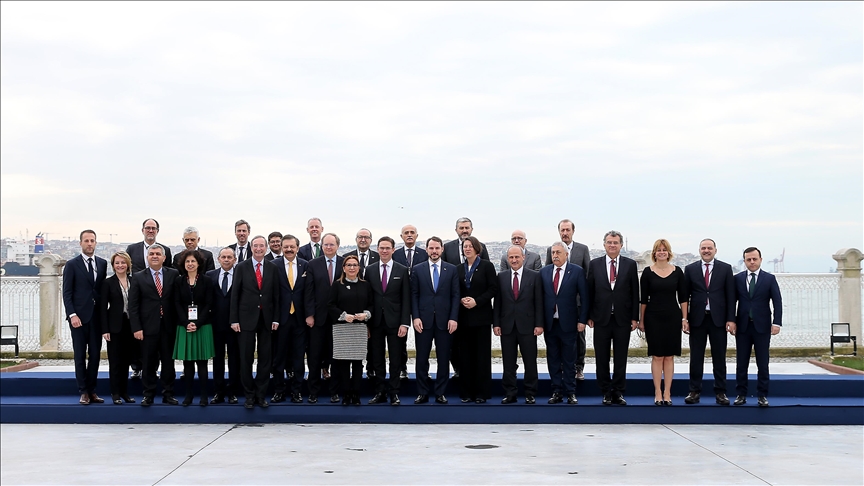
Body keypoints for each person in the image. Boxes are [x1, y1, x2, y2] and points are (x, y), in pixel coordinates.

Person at [586, 230, 639, 406]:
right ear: (604, 244)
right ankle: (605, 391)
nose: (612, 245)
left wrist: (635, 317)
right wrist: (589, 315)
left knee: (621, 357)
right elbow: (589, 292)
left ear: (621, 245)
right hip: (601, 318)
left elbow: (635, 292)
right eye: (609, 242)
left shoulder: (630, 265)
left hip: (623, 319)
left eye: (615, 242)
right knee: (601, 358)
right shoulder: (594, 264)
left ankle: (618, 391)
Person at [683, 238, 736, 406]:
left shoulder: (725, 268)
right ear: (699, 250)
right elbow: (685, 296)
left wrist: (731, 319)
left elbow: (731, 296)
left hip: (718, 319)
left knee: (719, 357)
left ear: (715, 250)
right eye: (703, 248)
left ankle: (721, 392)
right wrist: (685, 319)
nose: (706, 251)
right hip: (697, 319)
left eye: (709, 248)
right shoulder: (690, 269)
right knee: (696, 357)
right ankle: (694, 391)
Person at [230, 235, 281, 409]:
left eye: (261, 246)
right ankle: (249, 395)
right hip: (245, 319)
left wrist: (276, 318)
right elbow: (235, 295)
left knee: (265, 359)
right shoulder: (241, 267)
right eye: (255, 246)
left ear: (266, 248)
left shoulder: (273, 268)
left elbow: (276, 295)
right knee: (246, 358)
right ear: (251, 248)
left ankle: (261, 395)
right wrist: (234, 319)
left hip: (266, 319)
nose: (258, 249)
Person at [410, 236, 460, 404]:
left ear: (442, 249)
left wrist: (453, 318)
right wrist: (415, 317)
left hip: (445, 321)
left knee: (443, 358)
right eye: (431, 248)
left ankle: (440, 393)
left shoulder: (451, 269)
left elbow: (455, 295)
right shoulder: (418, 269)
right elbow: (414, 295)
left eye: (437, 248)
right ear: (426, 250)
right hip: (423, 321)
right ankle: (422, 393)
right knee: (421, 358)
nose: (434, 251)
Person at [129, 244, 180, 406]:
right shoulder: (138, 277)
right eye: (151, 254)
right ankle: (148, 395)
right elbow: (133, 305)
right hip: (147, 328)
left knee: (168, 363)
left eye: (158, 253)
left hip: (169, 327)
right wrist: (136, 328)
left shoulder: (173, 274)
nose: (155, 256)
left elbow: (177, 301)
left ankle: (168, 394)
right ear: (147, 257)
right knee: (148, 363)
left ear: (164, 258)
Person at [638, 239, 688, 406]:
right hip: (653, 317)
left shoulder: (677, 271)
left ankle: (667, 392)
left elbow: (683, 298)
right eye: (658, 250)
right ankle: (658, 392)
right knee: (657, 356)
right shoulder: (647, 272)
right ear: (654, 253)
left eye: (664, 250)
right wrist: (641, 320)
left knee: (669, 356)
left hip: (673, 317)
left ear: (668, 252)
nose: (661, 252)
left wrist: (685, 318)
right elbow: (643, 300)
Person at [733, 247, 783, 407]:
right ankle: (741, 394)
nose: (752, 262)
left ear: (760, 260)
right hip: (743, 327)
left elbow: (777, 301)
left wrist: (777, 322)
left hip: (762, 327)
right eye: (748, 259)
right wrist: (731, 321)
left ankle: (762, 395)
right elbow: (731, 301)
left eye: (754, 259)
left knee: (763, 362)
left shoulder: (769, 279)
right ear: (744, 261)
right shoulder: (737, 279)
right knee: (741, 363)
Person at [63, 229, 108, 405]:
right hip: (78, 318)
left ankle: (92, 390)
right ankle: (83, 391)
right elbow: (67, 293)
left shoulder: (102, 264)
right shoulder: (72, 265)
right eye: (86, 241)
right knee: (80, 355)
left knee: (95, 356)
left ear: (96, 243)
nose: (89, 244)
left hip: (96, 317)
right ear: (80, 243)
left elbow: (101, 290)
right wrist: (72, 314)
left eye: (92, 241)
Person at [540, 241, 588, 405]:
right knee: (553, 359)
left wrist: (582, 320)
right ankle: (556, 391)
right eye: (553, 252)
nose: (555, 255)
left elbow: (585, 297)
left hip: (569, 323)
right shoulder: (544, 272)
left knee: (569, 360)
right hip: (550, 323)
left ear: (566, 254)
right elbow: (539, 299)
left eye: (558, 252)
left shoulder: (577, 271)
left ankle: (571, 392)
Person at [494, 246, 544, 404]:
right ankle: (510, 393)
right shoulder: (501, 277)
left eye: (517, 257)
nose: (514, 260)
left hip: (528, 326)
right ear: (507, 259)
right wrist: (496, 324)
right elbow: (498, 302)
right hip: (507, 326)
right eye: (511, 257)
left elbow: (539, 302)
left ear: (523, 257)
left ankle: (530, 393)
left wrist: (539, 324)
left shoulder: (534, 276)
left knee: (530, 361)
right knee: (508, 362)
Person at [365, 236, 411, 405]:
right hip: (375, 322)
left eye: (387, 248)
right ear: (377, 249)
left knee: (395, 359)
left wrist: (405, 323)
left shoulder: (402, 270)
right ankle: (380, 392)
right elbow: (367, 298)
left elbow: (406, 299)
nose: (384, 251)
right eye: (381, 248)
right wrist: (367, 324)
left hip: (396, 322)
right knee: (377, 359)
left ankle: (394, 393)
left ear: (393, 250)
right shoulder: (369, 270)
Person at [545, 219, 591, 380]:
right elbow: (548, 274)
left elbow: (587, 275)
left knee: (579, 337)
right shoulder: (552, 249)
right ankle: (562, 368)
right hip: (558, 305)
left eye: (567, 230)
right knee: (558, 339)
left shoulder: (582, 249)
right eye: (562, 230)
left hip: (577, 303)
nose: (565, 233)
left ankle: (579, 367)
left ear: (573, 231)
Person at [456, 236, 498, 403]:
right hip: (464, 317)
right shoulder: (459, 268)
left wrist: (477, 301)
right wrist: (461, 299)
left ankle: (481, 393)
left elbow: (493, 289)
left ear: (476, 248)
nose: (467, 249)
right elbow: (455, 289)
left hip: (481, 317)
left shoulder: (487, 266)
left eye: (470, 246)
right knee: (465, 357)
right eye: (465, 246)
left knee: (482, 356)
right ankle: (466, 393)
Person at [303, 232, 344, 403]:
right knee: (314, 356)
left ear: (337, 246)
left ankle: (334, 391)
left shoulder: (345, 263)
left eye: (331, 244)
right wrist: (309, 314)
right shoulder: (313, 264)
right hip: (317, 319)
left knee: (336, 357)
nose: (328, 247)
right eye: (325, 244)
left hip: (339, 319)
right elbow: (309, 291)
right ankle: (313, 391)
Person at [328, 255, 373, 405]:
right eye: (349, 265)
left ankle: (356, 394)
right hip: (342, 328)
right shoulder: (337, 285)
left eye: (354, 265)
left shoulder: (365, 285)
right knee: (344, 364)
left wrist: (366, 314)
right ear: (343, 268)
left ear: (359, 268)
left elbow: (372, 304)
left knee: (358, 363)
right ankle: (346, 394)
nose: (352, 268)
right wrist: (343, 316)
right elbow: (330, 305)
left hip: (359, 328)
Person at [173, 249, 215, 406]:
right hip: (184, 326)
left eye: (193, 261)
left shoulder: (207, 280)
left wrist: (197, 323)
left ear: (199, 264)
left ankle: (204, 396)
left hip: (202, 326)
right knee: (188, 363)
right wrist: (186, 323)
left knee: (202, 364)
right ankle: (188, 395)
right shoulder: (178, 281)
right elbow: (177, 303)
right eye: (187, 261)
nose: (190, 264)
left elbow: (209, 303)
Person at [272, 234, 308, 404]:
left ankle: (296, 391)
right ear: (281, 248)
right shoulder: (274, 266)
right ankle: (279, 391)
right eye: (285, 247)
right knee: (279, 358)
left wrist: (309, 315)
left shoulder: (305, 265)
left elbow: (309, 293)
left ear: (297, 248)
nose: (288, 249)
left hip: (300, 319)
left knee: (298, 357)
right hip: (280, 319)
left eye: (292, 247)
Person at [100, 251, 136, 405]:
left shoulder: (134, 281)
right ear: (113, 265)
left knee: (126, 361)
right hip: (114, 326)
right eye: (117, 263)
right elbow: (102, 308)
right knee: (115, 362)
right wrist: (105, 329)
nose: (120, 265)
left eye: (123, 262)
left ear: (128, 264)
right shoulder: (108, 283)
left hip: (131, 326)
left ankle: (124, 392)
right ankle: (115, 393)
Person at [392, 223, 427, 379]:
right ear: (401, 236)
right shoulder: (395, 254)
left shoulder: (424, 254)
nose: (409, 235)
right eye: (406, 232)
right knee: (401, 337)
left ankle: (423, 370)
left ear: (417, 236)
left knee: (423, 338)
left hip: (422, 300)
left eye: (412, 232)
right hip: (401, 301)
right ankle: (402, 368)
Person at [207, 247, 241, 404]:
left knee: (234, 360)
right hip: (216, 325)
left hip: (235, 325)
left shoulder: (241, 275)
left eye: (229, 257)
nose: (226, 260)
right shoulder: (210, 276)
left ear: (235, 260)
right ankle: (218, 392)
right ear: (218, 259)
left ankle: (233, 392)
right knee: (217, 360)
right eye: (223, 257)